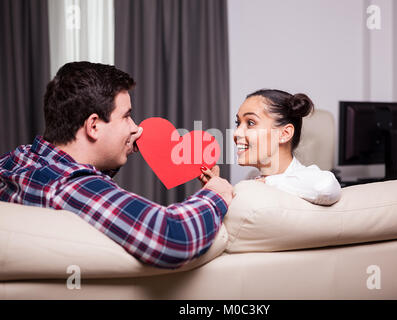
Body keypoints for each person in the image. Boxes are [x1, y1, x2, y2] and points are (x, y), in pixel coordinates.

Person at [0, 61, 233, 269]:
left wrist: (136, 148)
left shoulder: (18, 160)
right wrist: (216, 194)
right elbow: (172, 237)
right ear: (93, 126)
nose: (136, 128)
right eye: (126, 116)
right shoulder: (69, 186)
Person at [227, 89, 341, 205]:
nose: (236, 133)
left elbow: (327, 188)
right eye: (238, 123)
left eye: (251, 123)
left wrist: (266, 183)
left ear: (284, 134)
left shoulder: (308, 178)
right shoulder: (251, 178)